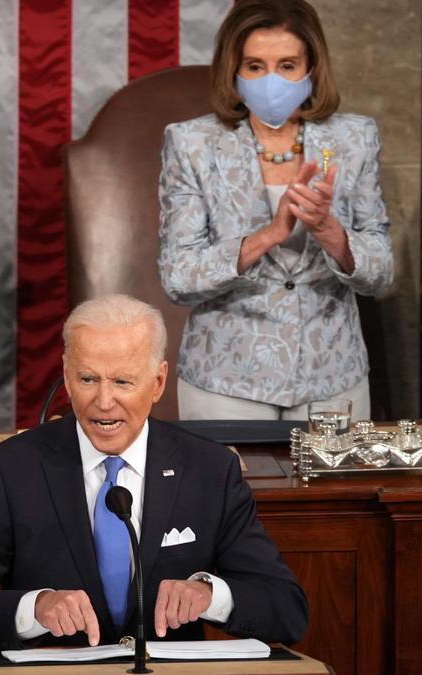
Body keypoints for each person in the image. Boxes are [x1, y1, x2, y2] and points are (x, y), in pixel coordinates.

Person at [0, 294, 307, 653]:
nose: (104, 403)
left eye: (123, 381)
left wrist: (211, 596)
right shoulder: (12, 469)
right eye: (88, 379)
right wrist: (33, 608)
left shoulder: (209, 470)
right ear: (66, 375)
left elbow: (286, 610)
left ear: (157, 383)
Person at [158, 0, 393, 423]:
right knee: (228, 492)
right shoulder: (190, 143)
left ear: (311, 68)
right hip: (225, 378)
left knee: (337, 494)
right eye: (254, 66)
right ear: (234, 70)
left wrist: (329, 232)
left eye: (286, 65)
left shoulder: (354, 138)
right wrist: (268, 234)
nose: (271, 81)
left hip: (331, 376)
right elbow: (179, 278)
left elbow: (380, 273)